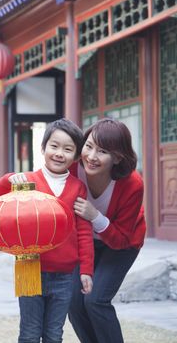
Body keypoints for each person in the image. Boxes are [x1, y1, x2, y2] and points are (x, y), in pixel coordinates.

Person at [0, 118, 94, 343]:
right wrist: (8, 181)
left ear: (76, 156)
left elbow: (84, 231)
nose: (59, 153)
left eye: (68, 149)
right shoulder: (26, 181)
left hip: (65, 275)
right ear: (43, 148)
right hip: (29, 269)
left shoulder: (78, 187)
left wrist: (86, 270)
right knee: (29, 333)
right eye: (54, 146)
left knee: (54, 334)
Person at [68, 118, 146, 343]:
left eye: (102, 151)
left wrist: (95, 216)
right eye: (89, 146)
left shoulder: (132, 184)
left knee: (95, 300)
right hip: (84, 242)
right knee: (73, 302)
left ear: (118, 157)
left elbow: (121, 239)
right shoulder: (73, 168)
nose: (91, 157)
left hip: (122, 244)